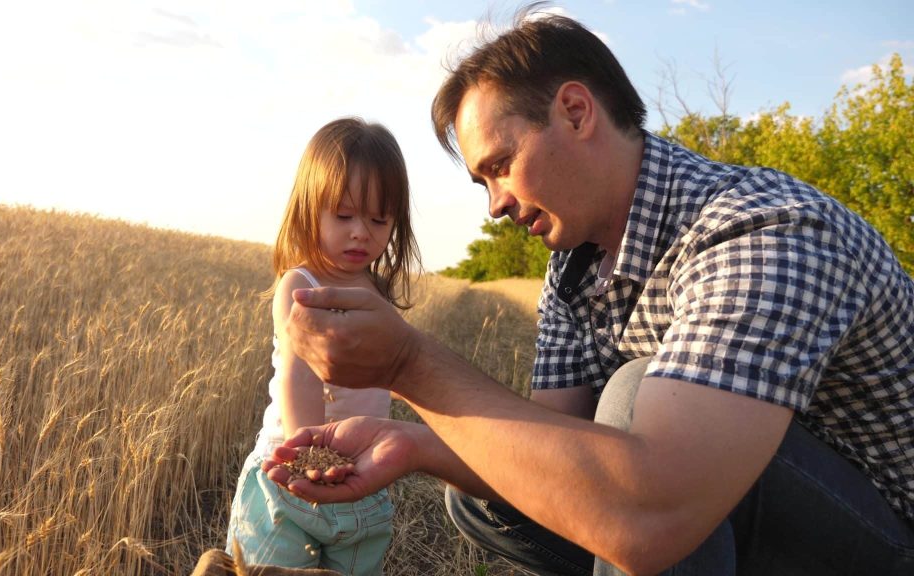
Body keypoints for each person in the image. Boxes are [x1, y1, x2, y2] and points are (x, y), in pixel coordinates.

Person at [262, 8, 914, 576]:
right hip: (719, 517)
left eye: (499, 167)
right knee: (490, 479)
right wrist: (417, 445)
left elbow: (650, 514)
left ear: (575, 113)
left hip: (889, 539)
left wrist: (407, 363)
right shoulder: (576, 267)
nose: (493, 206)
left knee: (634, 397)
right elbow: (556, 438)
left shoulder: (761, 229)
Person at [226, 117, 420, 575]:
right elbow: (299, 374)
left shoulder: (378, 292)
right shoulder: (301, 285)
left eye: (378, 219)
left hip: (361, 480)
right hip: (290, 473)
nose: (361, 233)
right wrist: (308, 455)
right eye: (344, 215)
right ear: (308, 209)